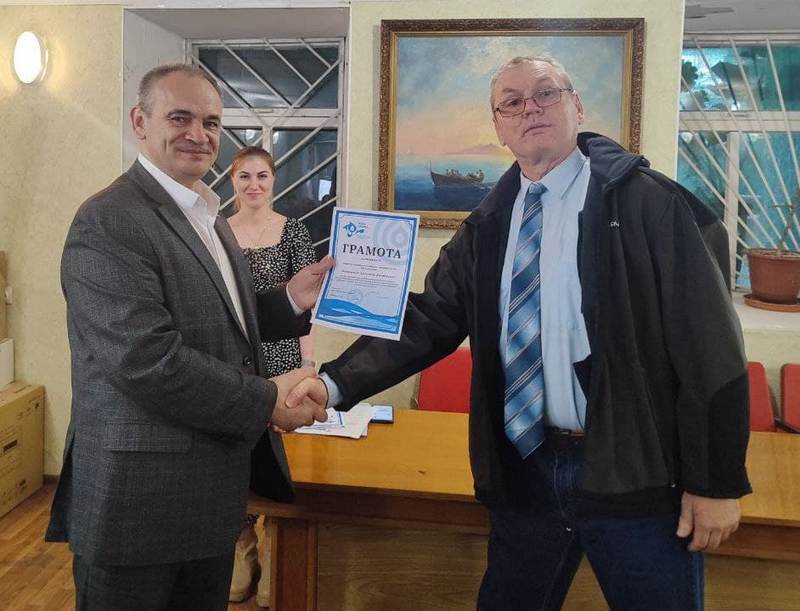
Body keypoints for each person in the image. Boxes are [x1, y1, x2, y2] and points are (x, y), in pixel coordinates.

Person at [288, 55, 751, 610]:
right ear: (499, 127)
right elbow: (430, 319)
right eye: (511, 102)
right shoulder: (488, 223)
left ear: (577, 106)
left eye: (546, 93)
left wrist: (715, 481)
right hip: (526, 470)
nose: (530, 108)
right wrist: (333, 384)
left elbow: (710, 350)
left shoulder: (648, 203)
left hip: (635, 474)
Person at [45, 64, 331, 611]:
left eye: (212, 122)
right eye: (180, 118)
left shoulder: (207, 212)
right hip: (138, 505)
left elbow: (224, 319)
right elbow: (147, 360)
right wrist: (266, 399)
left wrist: (292, 299)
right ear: (140, 122)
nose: (199, 135)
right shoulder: (108, 220)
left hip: (210, 495)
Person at [226, 146, 318, 605]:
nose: (254, 185)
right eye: (244, 176)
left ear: (274, 180)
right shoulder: (216, 231)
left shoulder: (294, 231)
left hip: (283, 362)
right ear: (232, 181)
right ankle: (244, 550)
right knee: (238, 459)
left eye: (262, 175)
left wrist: (308, 367)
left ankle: (275, 550)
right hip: (233, 365)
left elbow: (306, 308)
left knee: (281, 462)